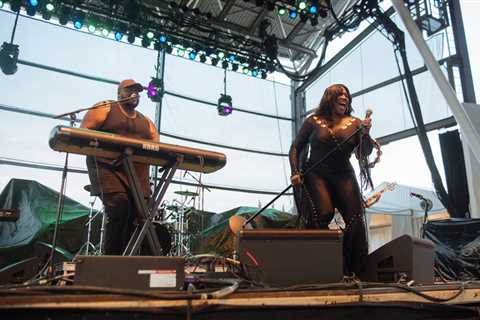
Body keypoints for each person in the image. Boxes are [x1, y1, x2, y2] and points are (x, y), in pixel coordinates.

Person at [289, 83, 374, 276]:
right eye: (339, 94)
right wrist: (295, 171)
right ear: (329, 98)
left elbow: (363, 153)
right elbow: (295, 147)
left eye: (346, 94)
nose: (344, 97)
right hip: (316, 174)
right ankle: (319, 267)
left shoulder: (356, 123)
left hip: (343, 175)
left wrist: (366, 133)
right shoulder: (313, 121)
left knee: (356, 220)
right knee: (323, 214)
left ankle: (352, 271)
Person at [80, 79, 159, 255]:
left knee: (138, 217)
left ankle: (128, 261)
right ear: (119, 93)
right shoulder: (106, 108)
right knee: (120, 210)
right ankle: (112, 262)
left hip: (137, 175)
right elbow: (83, 132)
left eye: (138, 92)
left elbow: (157, 146)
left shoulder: (146, 122)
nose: (135, 94)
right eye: (130, 90)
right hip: (109, 169)